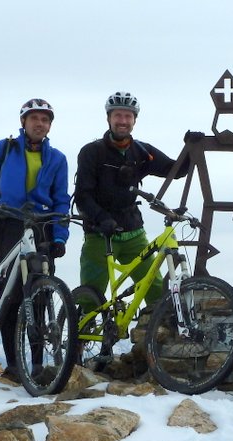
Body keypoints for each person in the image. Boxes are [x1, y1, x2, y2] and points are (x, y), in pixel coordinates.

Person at [0, 98, 71, 379]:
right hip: (8, 223)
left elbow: (62, 201)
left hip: (41, 228)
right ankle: (14, 365)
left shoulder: (58, 159)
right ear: (23, 122)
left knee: (39, 294)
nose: (40, 124)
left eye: (45, 120)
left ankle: (36, 366)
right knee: (9, 295)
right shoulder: (5, 148)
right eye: (34, 118)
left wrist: (60, 236)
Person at [74, 91, 190, 307]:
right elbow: (82, 195)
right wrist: (101, 218)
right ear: (109, 118)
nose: (123, 121)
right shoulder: (92, 152)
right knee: (90, 297)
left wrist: (191, 149)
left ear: (135, 120)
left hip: (133, 233)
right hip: (100, 234)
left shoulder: (142, 152)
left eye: (128, 116)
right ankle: (79, 341)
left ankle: (155, 336)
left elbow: (176, 170)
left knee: (154, 289)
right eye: (118, 116)